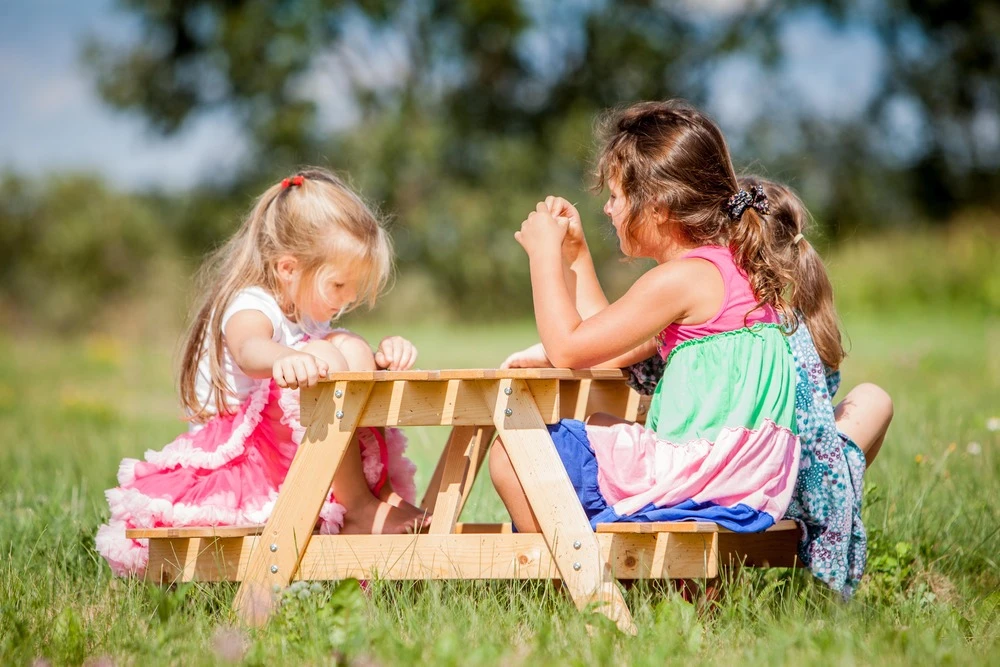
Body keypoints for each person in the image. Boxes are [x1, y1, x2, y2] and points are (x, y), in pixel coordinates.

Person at [490, 100, 801, 535]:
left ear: (657, 206)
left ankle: (571, 571)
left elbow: (568, 349)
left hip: (696, 482)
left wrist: (543, 256)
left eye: (615, 196)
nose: (607, 209)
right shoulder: (730, 271)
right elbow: (607, 346)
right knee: (601, 425)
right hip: (745, 485)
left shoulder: (681, 279)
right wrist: (575, 255)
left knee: (515, 450)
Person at [96, 168, 426, 577]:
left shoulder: (307, 311)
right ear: (288, 269)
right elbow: (248, 349)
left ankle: (378, 495)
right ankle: (358, 505)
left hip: (295, 448)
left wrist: (381, 359)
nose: (350, 298)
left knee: (351, 347)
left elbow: (343, 357)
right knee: (325, 352)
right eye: (339, 285)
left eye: (355, 287)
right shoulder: (251, 304)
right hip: (248, 457)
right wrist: (285, 358)